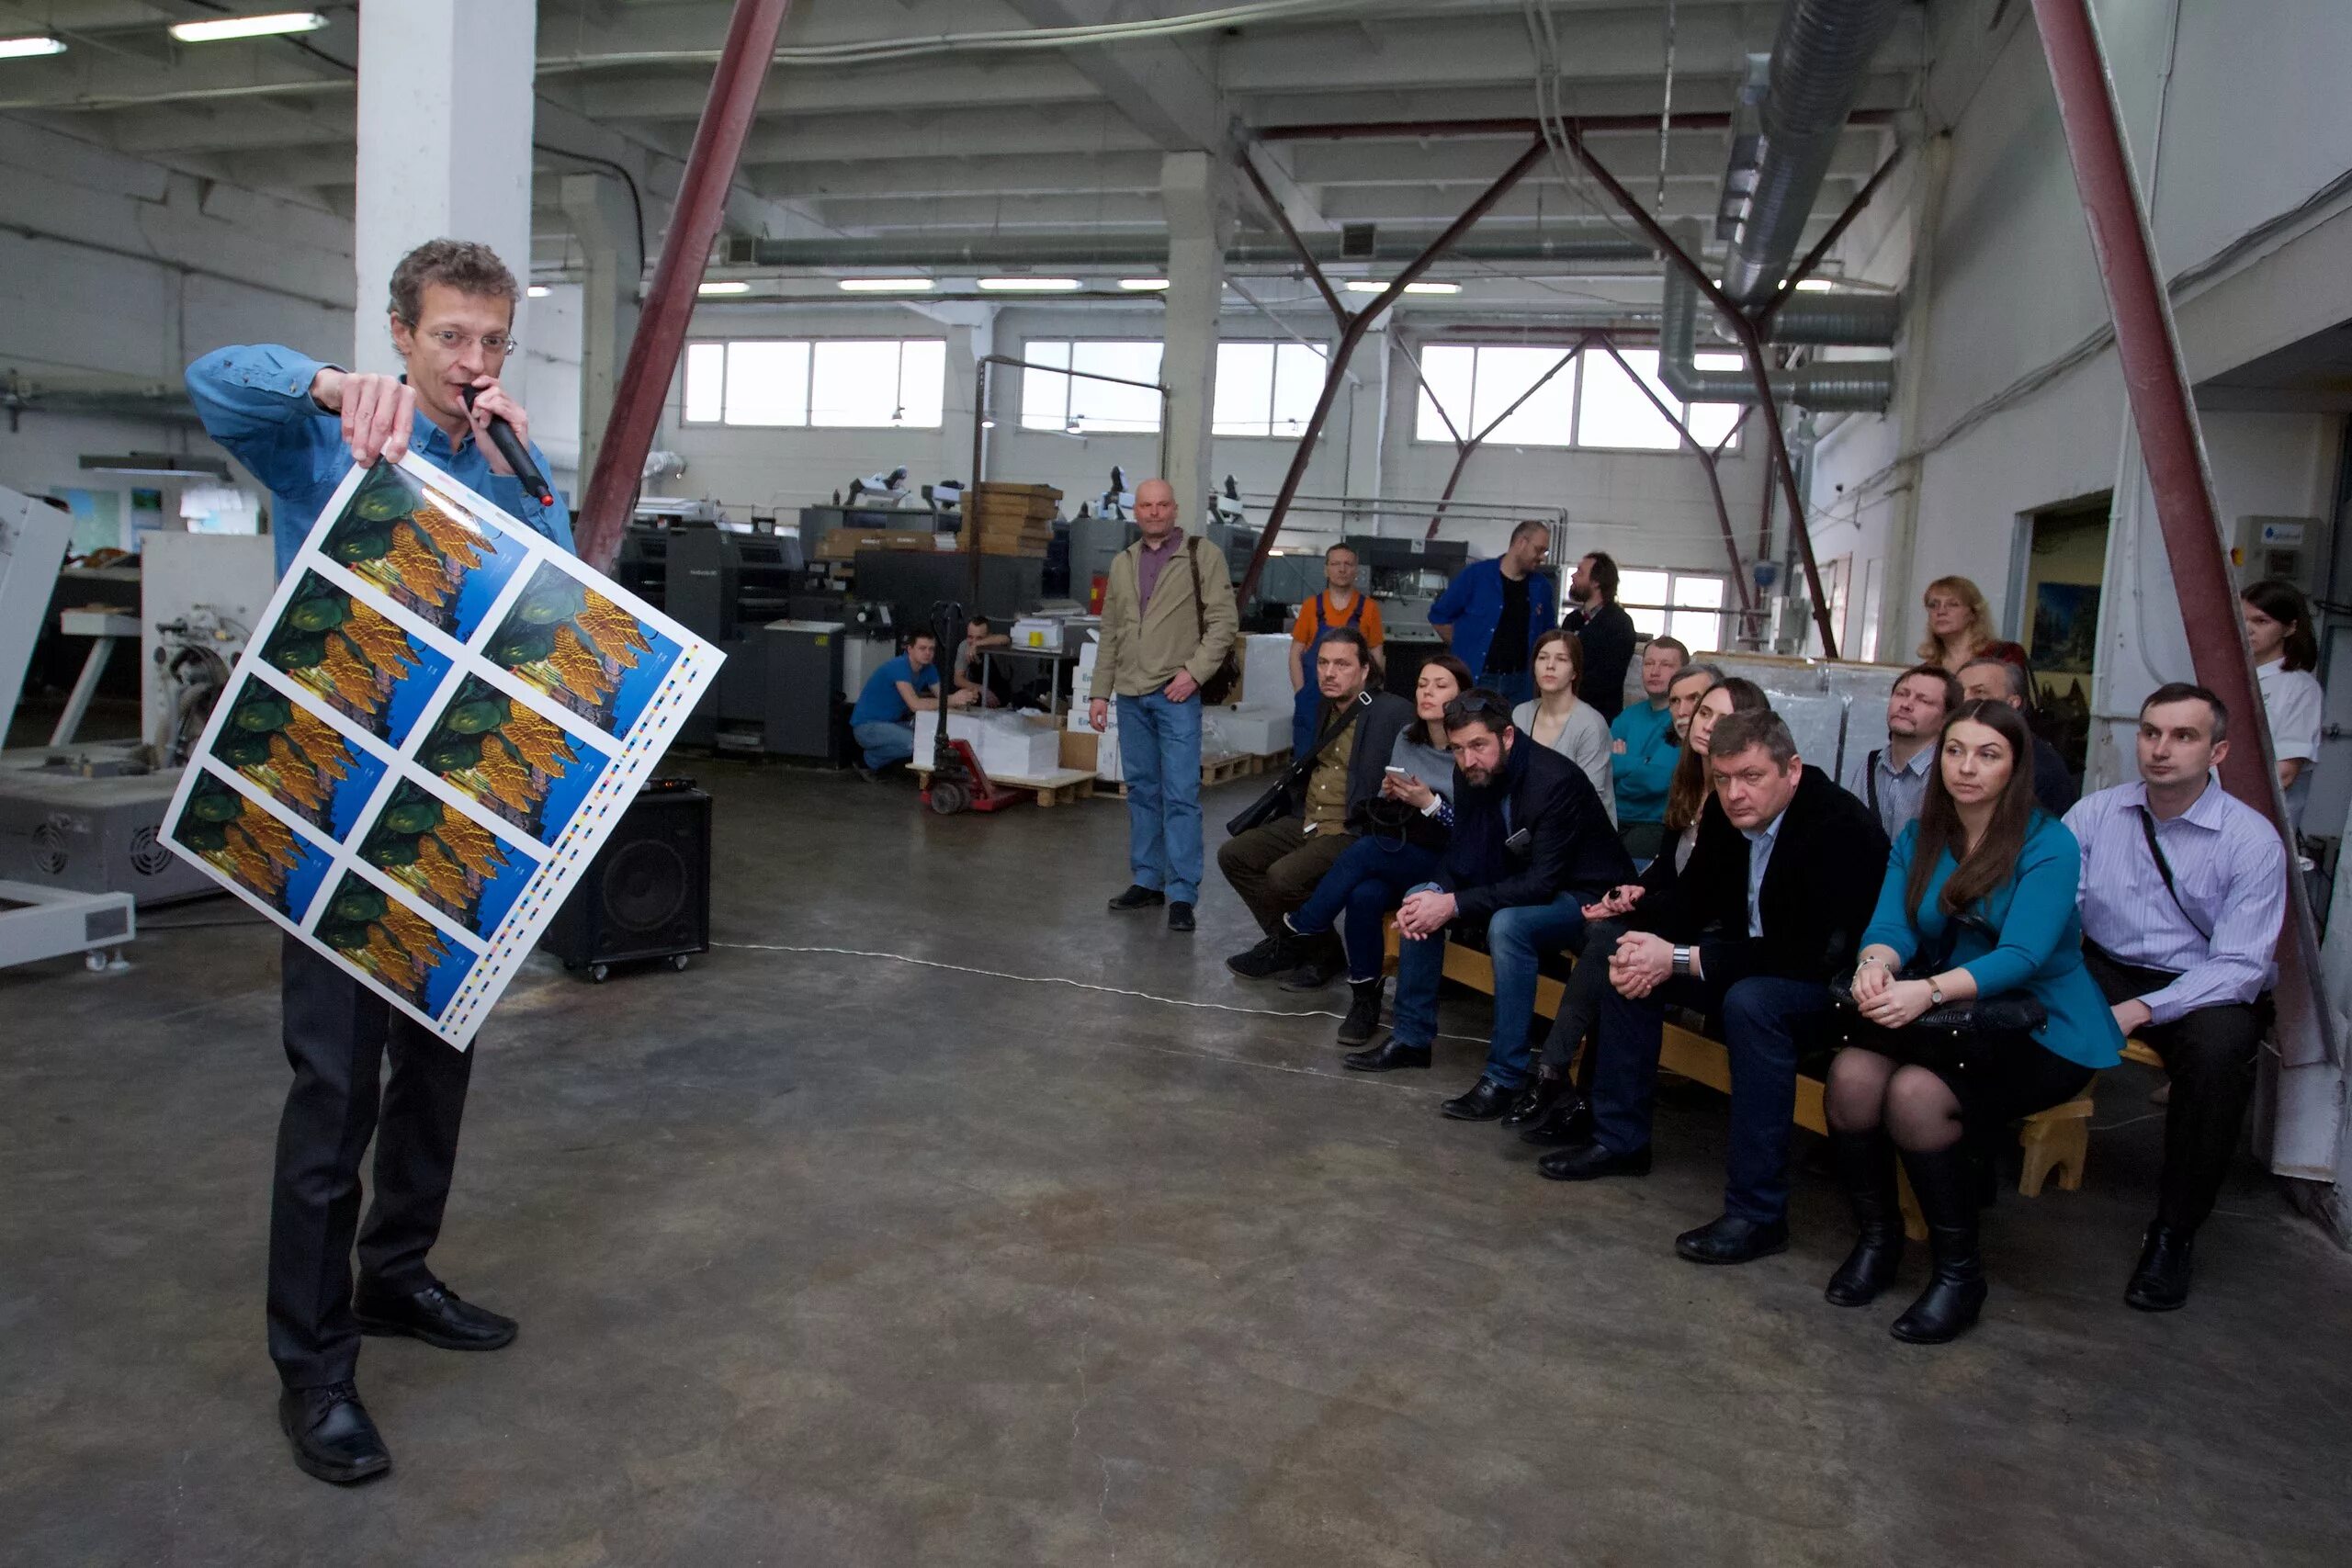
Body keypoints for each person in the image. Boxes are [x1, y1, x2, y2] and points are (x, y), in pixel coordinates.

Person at [185, 239, 570, 1485]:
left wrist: (528, 471)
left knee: (433, 1077)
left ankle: (397, 1274)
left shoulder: (505, 461)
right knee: (333, 1092)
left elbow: (567, 608)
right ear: (403, 334)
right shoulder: (330, 437)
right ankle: (316, 1371)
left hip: (453, 816)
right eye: (453, 337)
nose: (473, 362)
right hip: (330, 816)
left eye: (493, 343)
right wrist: (324, 384)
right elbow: (211, 381)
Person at [1543, 711, 1890, 1266]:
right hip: (1748, 964)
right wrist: (1637, 927)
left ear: (1792, 769)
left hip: (1832, 987)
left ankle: (1758, 1213)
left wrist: (1677, 957)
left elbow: (1806, 954)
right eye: (1723, 779)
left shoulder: (1837, 826)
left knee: (1750, 1003)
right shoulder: (1733, 815)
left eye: (1751, 776)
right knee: (1629, 957)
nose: (1734, 794)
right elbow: (1690, 903)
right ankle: (1620, 1139)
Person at [1830, 700, 2122, 1343]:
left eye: (1988, 754)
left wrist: (1924, 992)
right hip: (1956, 1014)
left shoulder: (2050, 843)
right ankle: (1878, 1242)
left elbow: (2022, 956)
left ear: (2015, 767)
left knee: (1914, 1095)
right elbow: (1890, 925)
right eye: (1956, 750)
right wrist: (1875, 966)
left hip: (2042, 1023)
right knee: (1851, 1074)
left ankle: (1959, 1275)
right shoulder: (1921, 834)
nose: (1966, 767)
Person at [2064, 683, 2288, 1312]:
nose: (2161, 749)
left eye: (2183, 736)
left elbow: (2242, 966)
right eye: (2151, 731)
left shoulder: (2251, 841)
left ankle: (2174, 1233)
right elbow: (2059, 911)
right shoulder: (2095, 814)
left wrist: (2143, 1009)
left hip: (2205, 981)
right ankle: (1976, 1158)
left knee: (2219, 1060)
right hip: (2106, 963)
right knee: (2023, 1003)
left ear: (2217, 750)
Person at [1343, 692, 1634, 1124]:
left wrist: (1454, 904)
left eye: (1478, 745)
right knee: (1422, 895)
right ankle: (1411, 1038)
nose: (1467, 759)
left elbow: (1543, 882)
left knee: (1507, 925)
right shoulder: (1473, 772)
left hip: (1591, 897)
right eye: (1458, 749)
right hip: (1525, 882)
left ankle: (1507, 1076)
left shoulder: (1553, 780)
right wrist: (1434, 892)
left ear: (1509, 736)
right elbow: (1464, 853)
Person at [1511, 671, 1766, 1143]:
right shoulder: (1691, 783)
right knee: (1606, 941)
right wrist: (1631, 894)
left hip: (1722, 939)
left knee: (1613, 944)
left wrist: (1635, 908)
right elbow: (1670, 873)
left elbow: (1701, 902)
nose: (1703, 722)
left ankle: (1557, 1077)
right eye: (1700, 711)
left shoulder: (1739, 800)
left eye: (1718, 715)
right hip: (1686, 920)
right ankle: (1575, 1094)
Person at [1280, 654, 1475, 1044]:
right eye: (1422, 684)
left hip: (1449, 861)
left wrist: (1429, 803)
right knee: (1363, 893)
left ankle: (1306, 923)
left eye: (1440, 685)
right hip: (1405, 844)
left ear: (1461, 695)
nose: (1427, 693)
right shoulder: (1407, 736)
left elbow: (1472, 832)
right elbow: (1394, 810)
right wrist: (1393, 795)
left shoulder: (1470, 746)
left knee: (1366, 852)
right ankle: (1364, 1000)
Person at [1220, 628, 1413, 988]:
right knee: (1235, 855)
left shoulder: (1392, 712)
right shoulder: (1320, 705)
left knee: (1283, 876)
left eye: (1342, 664)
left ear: (1365, 670)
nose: (1329, 672)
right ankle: (1294, 946)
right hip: (1308, 818)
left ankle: (1319, 954)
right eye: (1323, 663)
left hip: (1352, 827)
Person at [1090, 476, 1240, 934]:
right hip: (1132, 695)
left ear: (1175, 510)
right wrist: (1100, 691)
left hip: (1176, 695)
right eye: (1145, 506)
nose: (1154, 513)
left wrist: (1193, 673)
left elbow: (1224, 623)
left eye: (1162, 505)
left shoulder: (1201, 556)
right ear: (1135, 512)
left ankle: (1181, 893)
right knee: (1141, 790)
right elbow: (1112, 629)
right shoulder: (1122, 563)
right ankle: (1148, 880)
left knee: (1179, 794)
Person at [1429, 520, 1556, 704]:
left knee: (1516, 731)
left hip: (1521, 684)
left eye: (1545, 551)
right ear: (1521, 543)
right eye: (1539, 549)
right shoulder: (1476, 576)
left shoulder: (1541, 587)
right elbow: (1439, 616)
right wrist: (1465, 646)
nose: (1542, 557)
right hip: (1478, 680)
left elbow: (1547, 635)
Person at [1289, 541, 1386, 758]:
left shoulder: (1369, 609)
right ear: (1326, 569)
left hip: (1354, 699)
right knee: (1306, 757)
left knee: (1350, 755)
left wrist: (1374, 692)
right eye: (1335, 564)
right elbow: (1295, 653)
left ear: (1356, 570)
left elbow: (1377, 655)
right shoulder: (1311, 607)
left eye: (1348, 564)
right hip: (1313, 697)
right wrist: (1301, 692)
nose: (1342, 569)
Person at [2240, 579, 2322, 835]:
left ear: (2289, 628)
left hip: (2260, 825)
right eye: (2242, 618)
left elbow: (2284, 774)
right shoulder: (2231, 677)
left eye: (2261, 621)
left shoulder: (2300, 688)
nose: (2248, 628)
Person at [1842, 664, 1962, 840]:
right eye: (1901, 694)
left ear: (1946, 720)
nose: (1906, 705)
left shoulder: (1948, 772)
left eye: (1924, 700)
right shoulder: (1870, 764)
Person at [1512, 628, 1616, 822]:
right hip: (1528, 826)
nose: (1550, 666)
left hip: (1583, 830)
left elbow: (1590, 799)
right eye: (1542, 658)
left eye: (1562, 659)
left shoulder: (1591, 724)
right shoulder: (1520, 714)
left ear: (1575, 671)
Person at [1957, 655, 2078, 815]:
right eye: (1959, 692)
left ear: (2013, 702)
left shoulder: (2040, 767)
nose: (1965, 700)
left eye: (1979, 692)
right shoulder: (1945, 749)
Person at [1609, 636, 1690, 861]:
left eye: (1666, 665)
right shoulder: (1627, 716)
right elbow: (1605, 768)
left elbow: (1656, 782)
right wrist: (1642, 762)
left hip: (1655, 824)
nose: (1655, 671)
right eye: (1649, 663)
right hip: (1613, 817)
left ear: (1683, 672)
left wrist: (1624, 764)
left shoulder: (1683, 721)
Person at [850, 629, 971, 772]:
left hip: (892, 723)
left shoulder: (929, 668)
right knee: (914, 743)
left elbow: (942, 698)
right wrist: (953, 699)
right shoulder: (898, 666)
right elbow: (915, 705)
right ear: (910, 649)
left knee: (928, 734)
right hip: (867, 726)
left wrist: (964, 700)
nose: (927, 653)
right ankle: (868, 761)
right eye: (922, 648)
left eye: (931, 649)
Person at [1563, 550, 1637, 718]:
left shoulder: (1619, 624)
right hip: (1565, 713)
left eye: (1580, 572)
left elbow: (1609, 677)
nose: (1573, 576)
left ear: (1596, 582)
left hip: (1599, 717)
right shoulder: (1572, 620)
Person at [1917, 575, 2028, 675]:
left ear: (1973, 613)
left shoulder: (2004, 655)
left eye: (1953, 604)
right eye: (1933, 605)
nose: (1941, 611)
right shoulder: (1927, 670)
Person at [953, 615, 1013, 708]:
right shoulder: (964, 646)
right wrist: (982, 689)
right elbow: (958, 679)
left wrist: (976, 645)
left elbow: (1006, 639)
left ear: (989, 636)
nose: (973, 641)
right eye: (970, 637)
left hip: (1000, 692)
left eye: (979, 638)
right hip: (976, 693)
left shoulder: (996, 643)